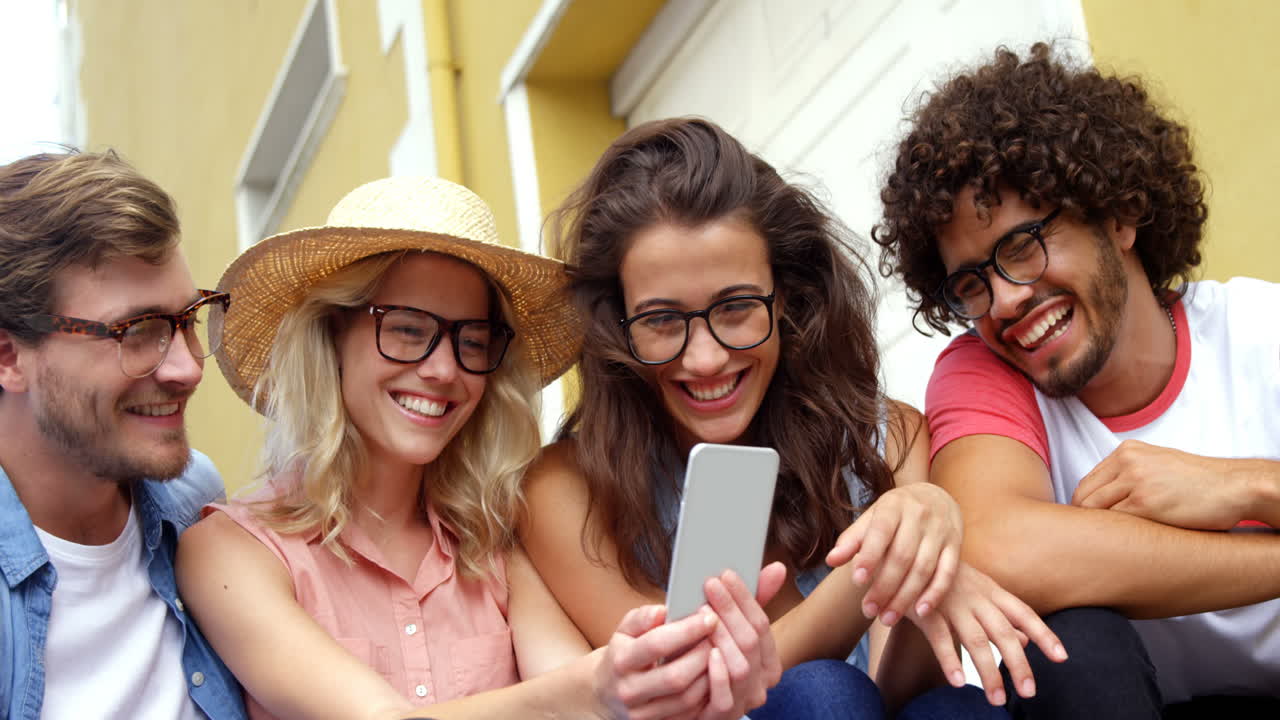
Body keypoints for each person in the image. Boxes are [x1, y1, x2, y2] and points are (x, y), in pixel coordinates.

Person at [177, 176, 783, 720]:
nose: (444, 370)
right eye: (409, 330)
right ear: (331, 336)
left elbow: (588, 701)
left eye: (472, 340)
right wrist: (594, 687)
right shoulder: (231, 552)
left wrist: (679, 682)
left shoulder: (493, 547)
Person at [520, 117, 1066, 719]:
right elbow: (698, 687)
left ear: (790, 297)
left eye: (736, 307)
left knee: (956, 710)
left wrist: (918, 547)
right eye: (661, 320)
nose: (705, 359)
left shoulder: (889, 441)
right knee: (819, 695)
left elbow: (896, 688)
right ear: (614, 329)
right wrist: (876, 565)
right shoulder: (564, 490)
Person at [873, 42, 1280, 718]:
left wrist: (1248, 484)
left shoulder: (1257, 329)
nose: (1003, 302)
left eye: (1022, 247)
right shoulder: (985, 372)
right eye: (971, 284)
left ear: (1117, 212)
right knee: (1071, 636)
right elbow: (999, 545)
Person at [0, 150, 245, 719]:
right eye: (138, 330)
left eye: (189, 320)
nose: (186, 368)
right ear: (10, 355)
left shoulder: (194, 503)